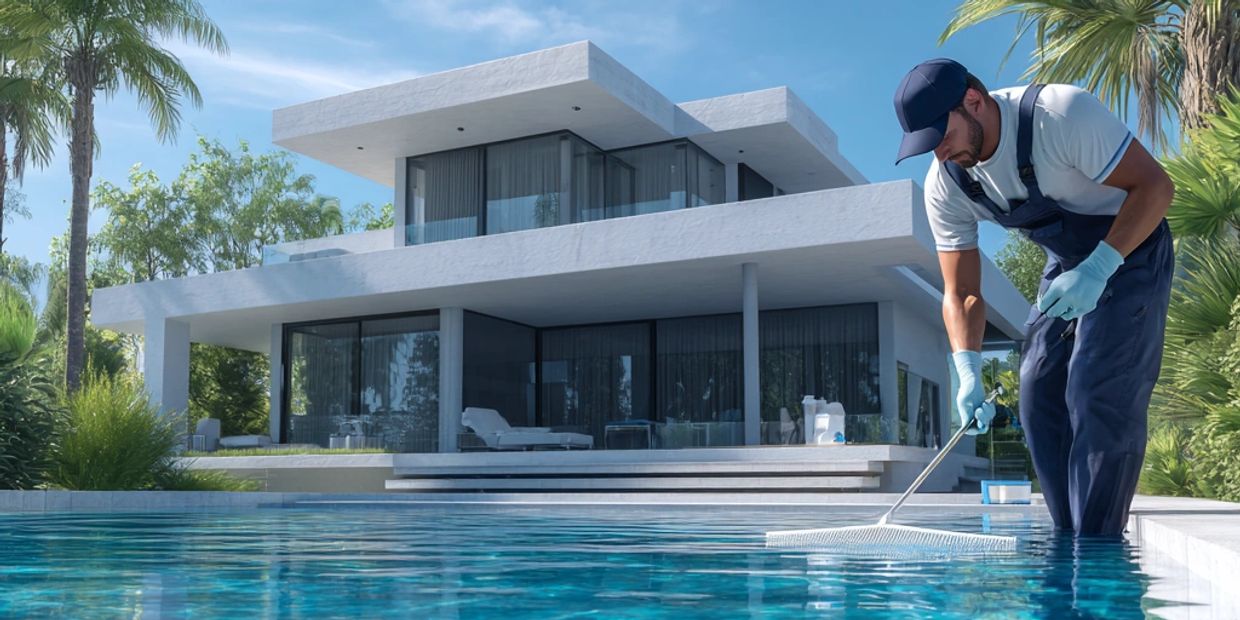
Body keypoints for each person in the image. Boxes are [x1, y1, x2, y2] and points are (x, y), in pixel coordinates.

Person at [892, 58, 1175, 536]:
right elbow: (961, 292)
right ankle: (1069, 536)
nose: (939, 153)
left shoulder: (1060, 115)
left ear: (973, 101)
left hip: (1132, 250)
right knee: (1038, 388)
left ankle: (1098, 544)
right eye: (927, 145)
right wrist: (967, 371)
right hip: (1064, 264)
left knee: (1096, 387)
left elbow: (1155, 187)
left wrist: (1099, 268)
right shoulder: (947, 184)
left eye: (942, 135)